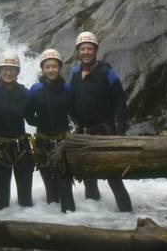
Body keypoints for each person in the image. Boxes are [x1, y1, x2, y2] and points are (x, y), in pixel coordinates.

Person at [70, 31, 133, 212]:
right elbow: (71, 99)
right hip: (84, 132)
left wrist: (120, 134)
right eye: (83, 49)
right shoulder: (74, 73)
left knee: (113, 176)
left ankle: (127, 215)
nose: (86, 52)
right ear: (78, 51)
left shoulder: (107, 73)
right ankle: (95, 217)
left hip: (105, 132)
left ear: (96, 51)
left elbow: (120, 103)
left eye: (90, 48)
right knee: (89, 178)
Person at [26, 48, 75, 213]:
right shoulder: (35, 90)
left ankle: (72, 223)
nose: (51, 70)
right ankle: (53, 226)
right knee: (51, 191)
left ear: (59, 67)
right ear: (42, 69)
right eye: (47, 67)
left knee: (66, 189)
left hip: (63, 143)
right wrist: (40, 123)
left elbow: (73, 112)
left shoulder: (67, 89)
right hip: (42, 143)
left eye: (54, 66)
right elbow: (28, 114)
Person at [0, 50, 34, 210]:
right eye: (5, 68)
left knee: (26, 200)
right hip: (1, 148)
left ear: (17, 71)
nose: (8, 72)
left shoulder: (25, 93)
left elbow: (31, 117)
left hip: (22, 147)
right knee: (2, 202)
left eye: (12, 69)